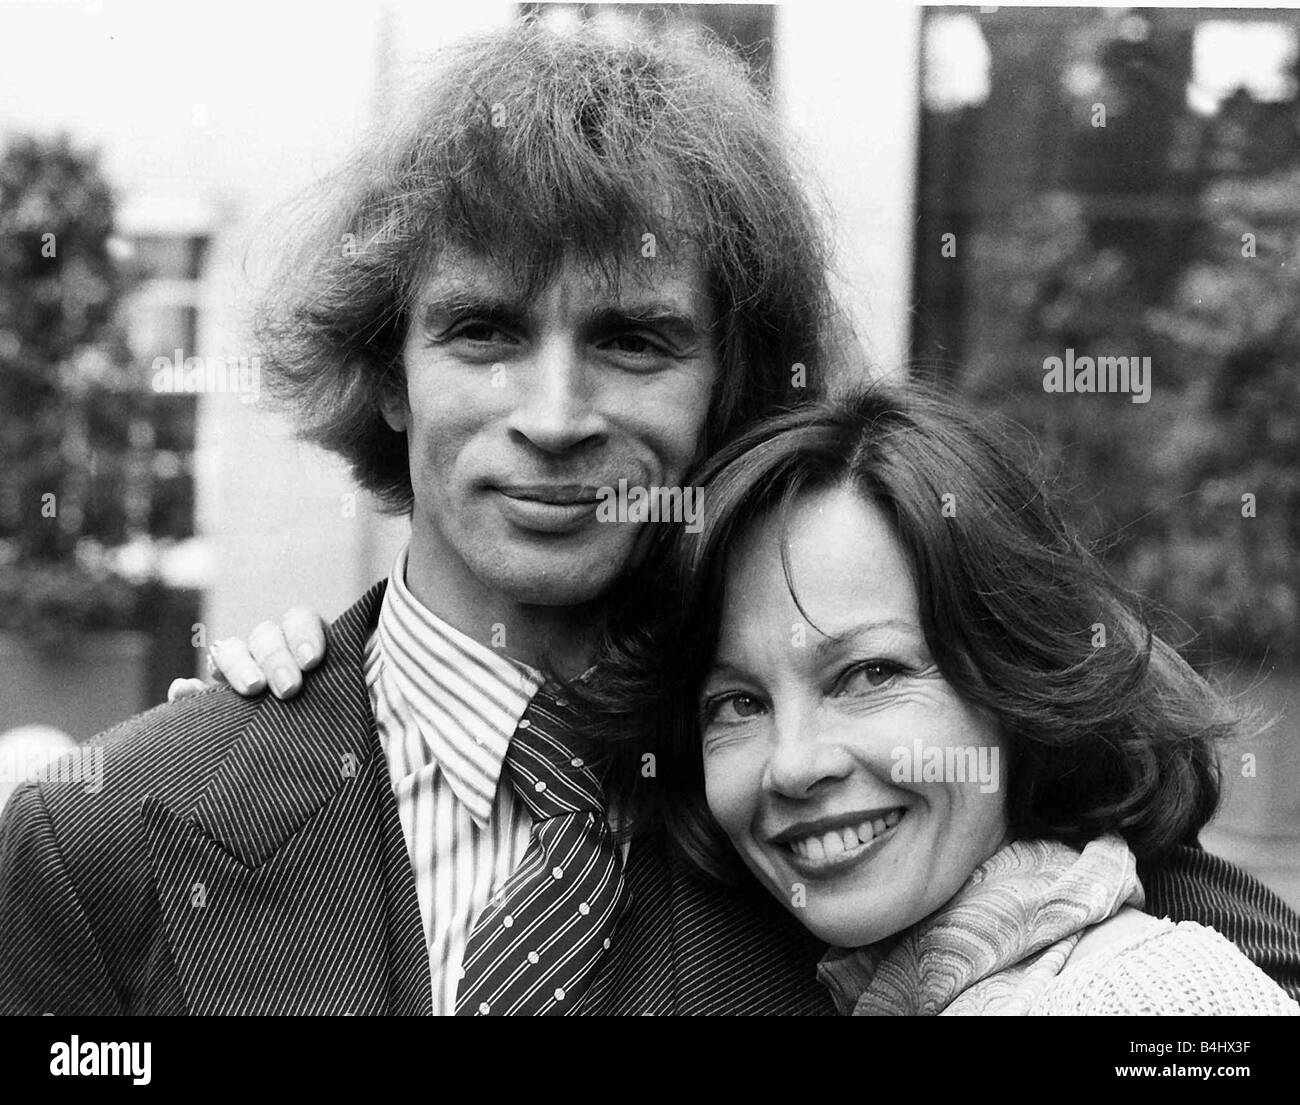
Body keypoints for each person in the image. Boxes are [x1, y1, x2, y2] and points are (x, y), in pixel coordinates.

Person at [7, 18, 1300, 1016]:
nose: (556, 413)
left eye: (633, 339)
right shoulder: (108, 832)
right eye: (485, 330)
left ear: (729, 385)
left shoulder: (825, 787)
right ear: (386, 374)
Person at [219, 385, 1300, 1015]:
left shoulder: (1153, 1000)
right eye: (735, 703)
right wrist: (265, 732)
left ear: (1016, 683)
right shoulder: (883, 974)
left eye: (869, 674)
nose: (794, 763)